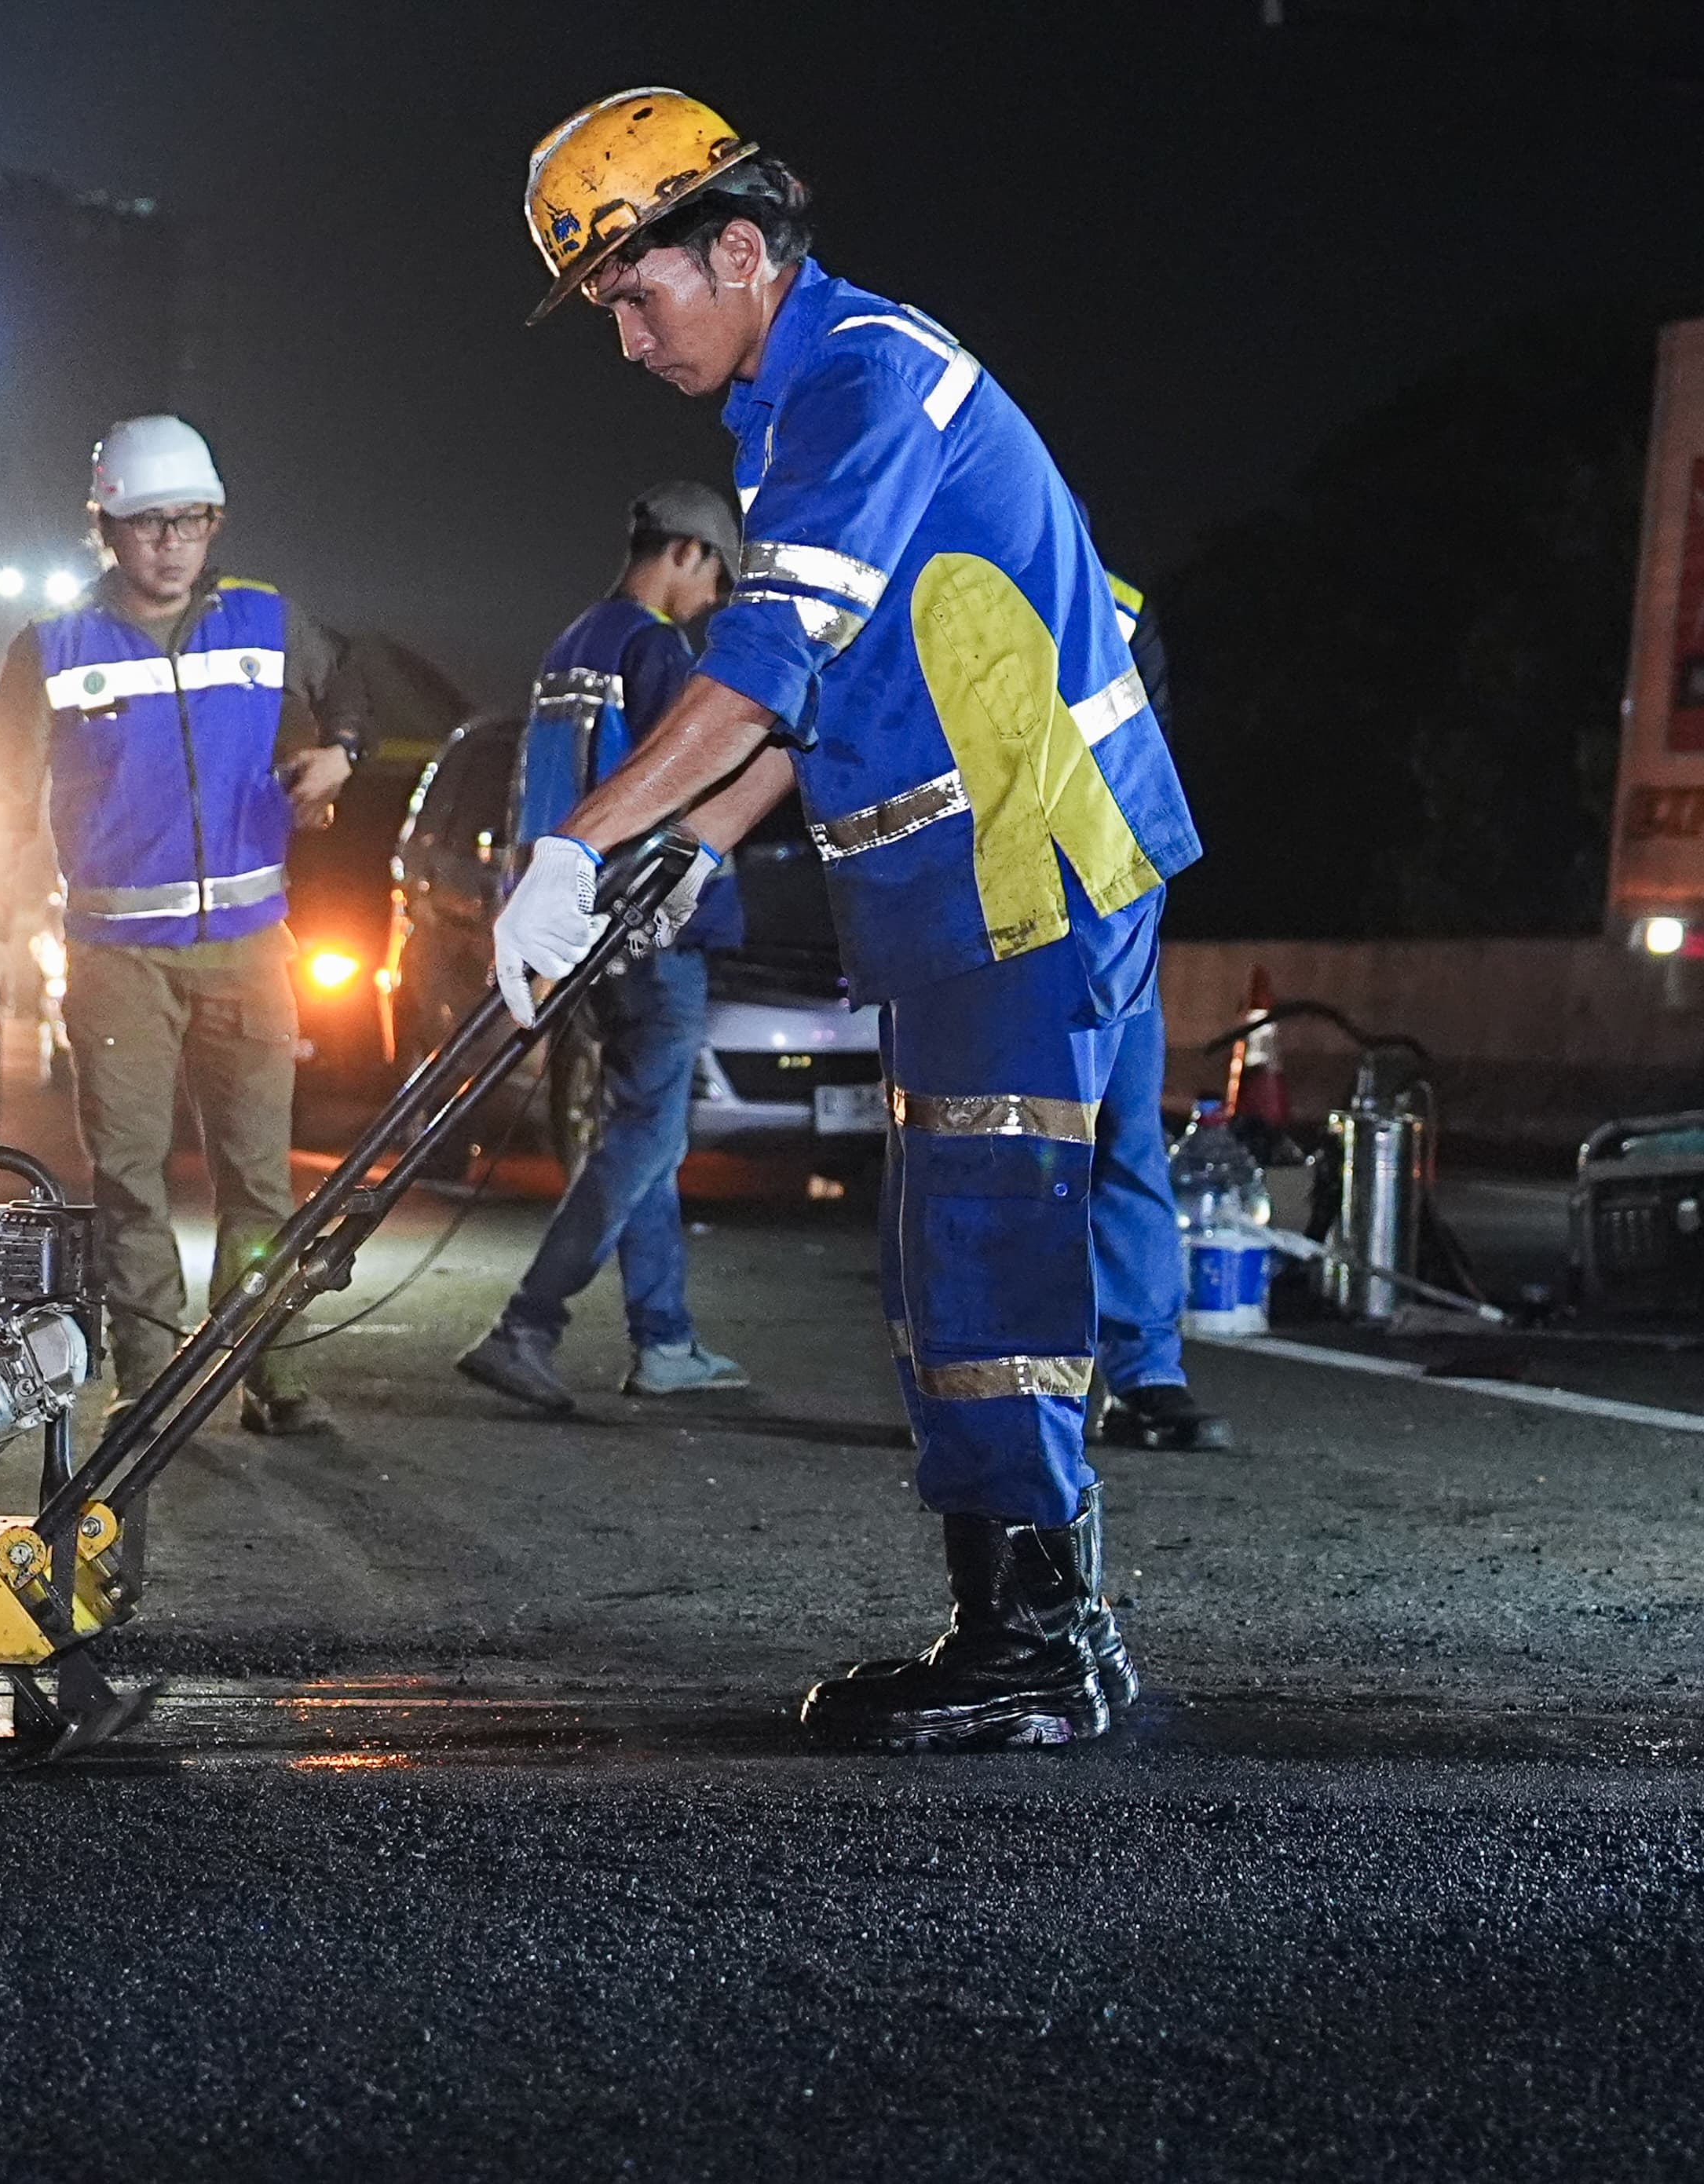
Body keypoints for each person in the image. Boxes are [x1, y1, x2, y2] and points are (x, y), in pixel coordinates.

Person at [496, 89, 1204, 1751]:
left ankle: (1035, 1644)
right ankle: (1027, 1622)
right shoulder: (800, 397)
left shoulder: (868, 377)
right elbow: (811, 693)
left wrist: (578, 842)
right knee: (946, 1240)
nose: (622, 337)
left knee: (986, 1238)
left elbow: (760, 664)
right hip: (971, 882)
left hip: (1023, 869)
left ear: (736, 250)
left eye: (632, 290)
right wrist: (693, 844)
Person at [0, 415, 367, 1436]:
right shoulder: (52, 646)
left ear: (215, 521)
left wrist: (344, 752)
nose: (172, 541)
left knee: (260, 1181)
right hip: (116, 960)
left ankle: (272, 1370)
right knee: (132, 1180)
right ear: (105, 527)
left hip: (249, 949)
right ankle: (149, 1381)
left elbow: (348, 679)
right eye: (148, 523)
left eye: (190, 519)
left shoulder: (269, 621)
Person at [459, 480, 754, 1411]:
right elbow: (690, 777)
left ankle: (663, 1338)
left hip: (579, 933)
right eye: (716, 580)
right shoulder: (654, 648)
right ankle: (527, 1323)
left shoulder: (569, 645)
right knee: (643, 1136)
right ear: (686, 554)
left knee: (643, 1134)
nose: (711, 606)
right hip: (648, 930)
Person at [1084, 571, 1230, 1450]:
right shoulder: (942, 573)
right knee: (985, 1152)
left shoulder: (1120, 608)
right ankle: (984, 1386)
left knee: (1125, 1139)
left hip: (1104, 908)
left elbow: (1145, 766)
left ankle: (1143, 1373)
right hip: (984, 917)